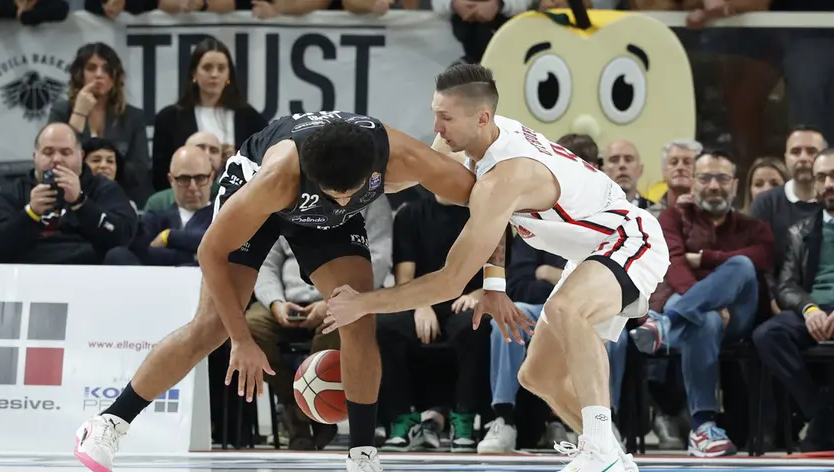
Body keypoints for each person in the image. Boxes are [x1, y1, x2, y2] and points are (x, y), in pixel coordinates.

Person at [73, 111, 478, 472]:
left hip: (327, 205)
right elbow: (209, 251)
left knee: (357, 316)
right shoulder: (275, 178)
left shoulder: (402, 158)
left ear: (374, 173)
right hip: (263, 198)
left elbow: (490, 204)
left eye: (350, 195)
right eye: (333, 194)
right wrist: (241, 339)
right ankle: (109, 422)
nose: (341, 200)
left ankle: (362, 455)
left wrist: (493, 282)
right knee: (211, 326)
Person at [325, 64, 670, 472]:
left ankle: (597, 448)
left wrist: (365, 304)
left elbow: (451, 280)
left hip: (629, 238)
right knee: (537, 376)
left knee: (565, 310)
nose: (436, 125)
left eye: (446, 117)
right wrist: (343, 176)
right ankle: (614, 457)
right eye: (436, 112)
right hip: (588, 253)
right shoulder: (468, 139)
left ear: (482, 117)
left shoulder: (506, 176)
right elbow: (407, 177)